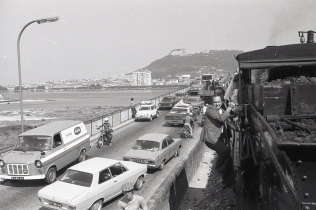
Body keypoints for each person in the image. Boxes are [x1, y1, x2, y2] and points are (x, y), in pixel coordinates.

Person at [200, 94, 236, 189]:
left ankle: (229, 181)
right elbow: (221, 119)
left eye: (218, 102)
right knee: (225, 151)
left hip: (218, 138)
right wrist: (230, 107)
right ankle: (218, 170)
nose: (217, 104)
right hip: (211, 139)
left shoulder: (221, 111)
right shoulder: (210, 110)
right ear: (212, 103)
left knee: (228, 159)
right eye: (215, 102)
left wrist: (238, 128)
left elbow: (228, 120)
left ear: (221, 102)